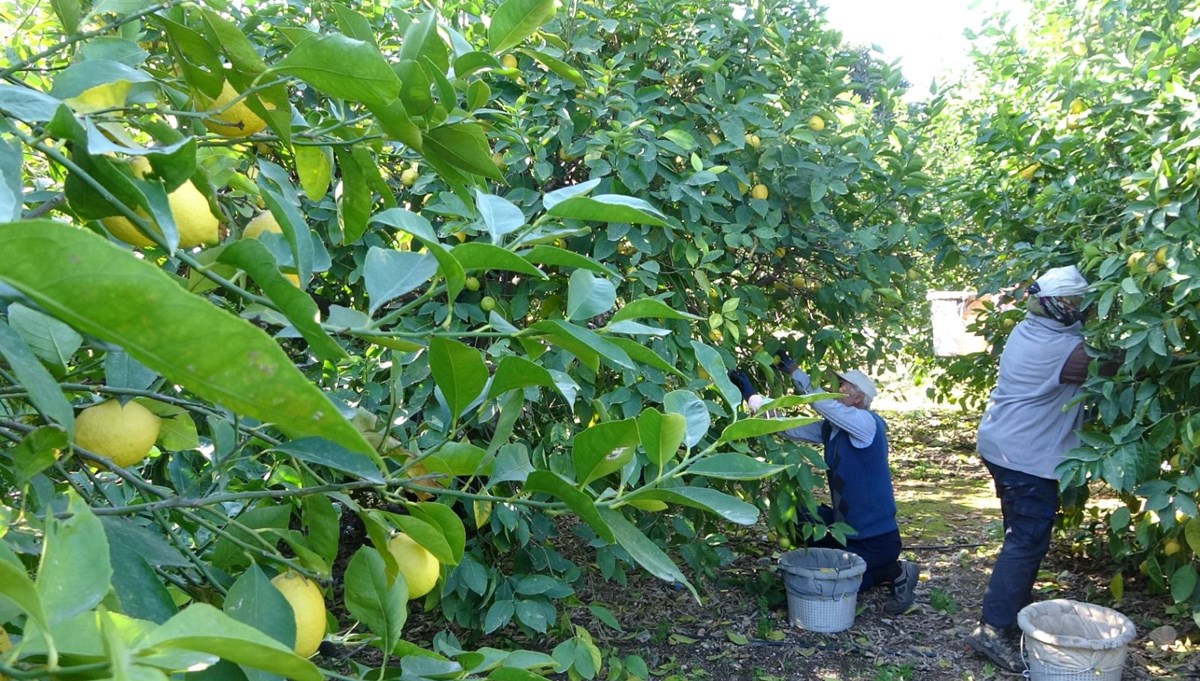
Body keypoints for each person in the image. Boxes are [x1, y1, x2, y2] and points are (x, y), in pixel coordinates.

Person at [965, 264, 1099, 671]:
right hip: (1024, 456)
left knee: (1019, 534)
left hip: (1004, 445)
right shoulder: (1061, 350)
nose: (1082, 309)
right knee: (1026, 539)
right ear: (1058, 306)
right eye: (1076, 303)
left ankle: (1015, 612)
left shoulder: (1034, 329)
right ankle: (994, 627)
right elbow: (1116, 367)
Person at [729, 359, 919, 616]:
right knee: (796, 517)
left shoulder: (866, 423)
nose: (836, 388)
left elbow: (821, 402)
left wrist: (796, 374)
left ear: (858, 397)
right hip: (847, 529)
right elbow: (787, 428)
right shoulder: (832, 428)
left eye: (842, 385)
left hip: (876, 540)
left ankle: (894, 571)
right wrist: (750, 395)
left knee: (831, 589)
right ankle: (857, 564)